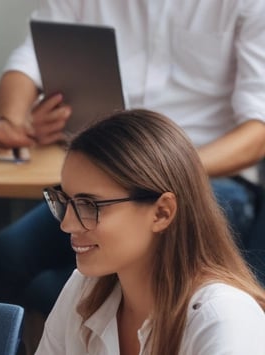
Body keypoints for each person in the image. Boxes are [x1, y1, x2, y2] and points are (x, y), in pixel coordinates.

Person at [0, 0, 265, 324]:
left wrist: (166, 165)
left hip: (208, 176)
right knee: (6, 253)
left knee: (60, 287)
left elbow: (258, 132)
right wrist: (15, 122)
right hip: (101, 174)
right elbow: (25, 62)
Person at [34, 110, 265, 354]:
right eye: (65, 201)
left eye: (88, 205)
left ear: (162, 213)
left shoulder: (223, 319)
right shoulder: (84, 289)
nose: (67, 224)